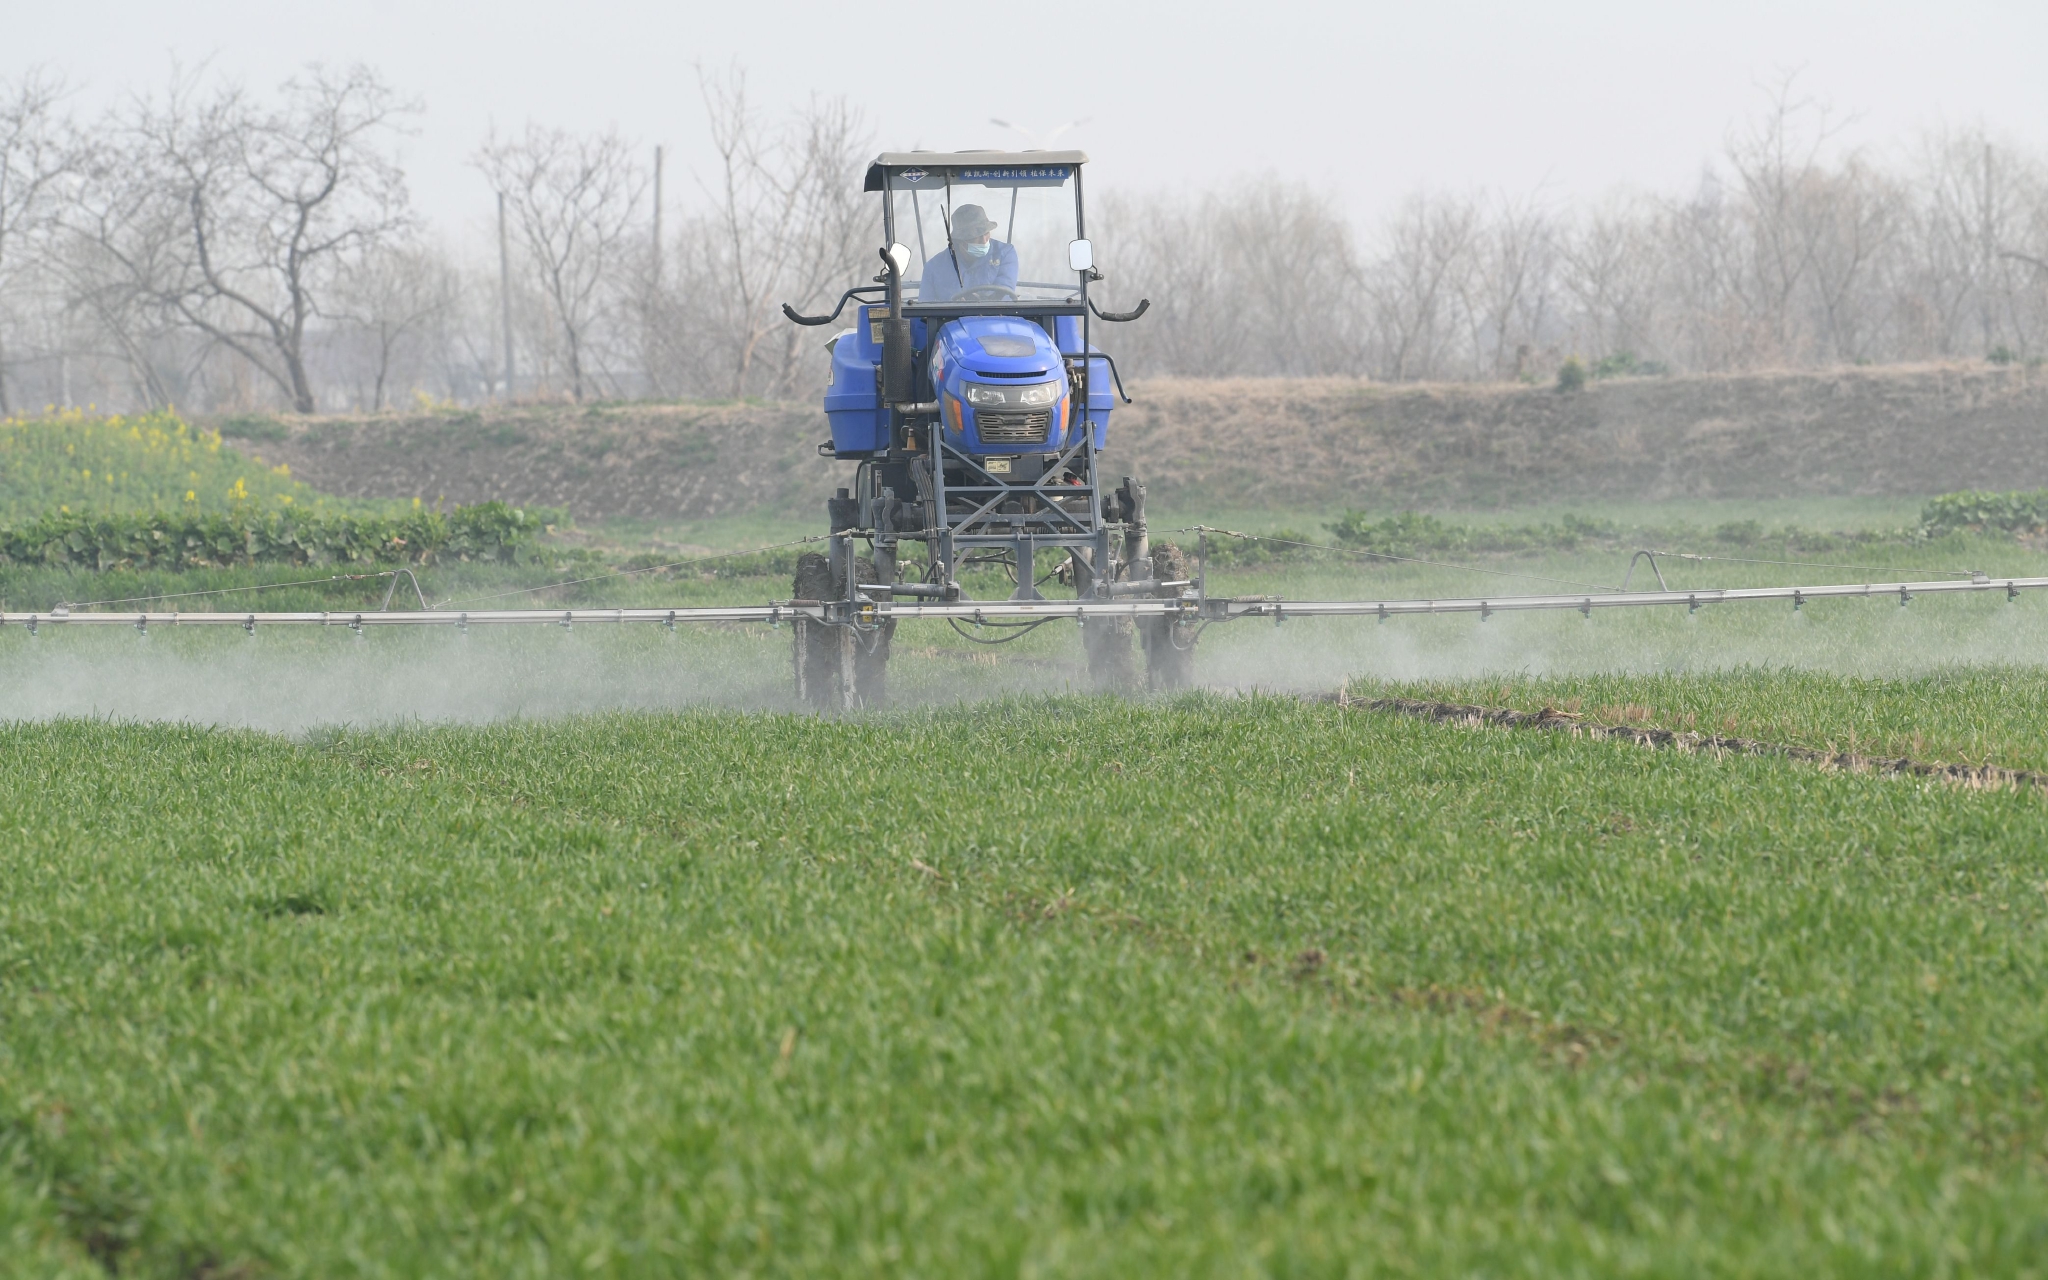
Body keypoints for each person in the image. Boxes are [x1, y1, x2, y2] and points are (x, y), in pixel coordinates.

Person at [918, 204, 1019, 300]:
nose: (984, 240)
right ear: (961, 241)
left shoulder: (1005, 253)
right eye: (976, 236)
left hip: (997, 317)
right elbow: (925, 311)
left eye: (986, 233)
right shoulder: (934, 268)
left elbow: (1004, 294)